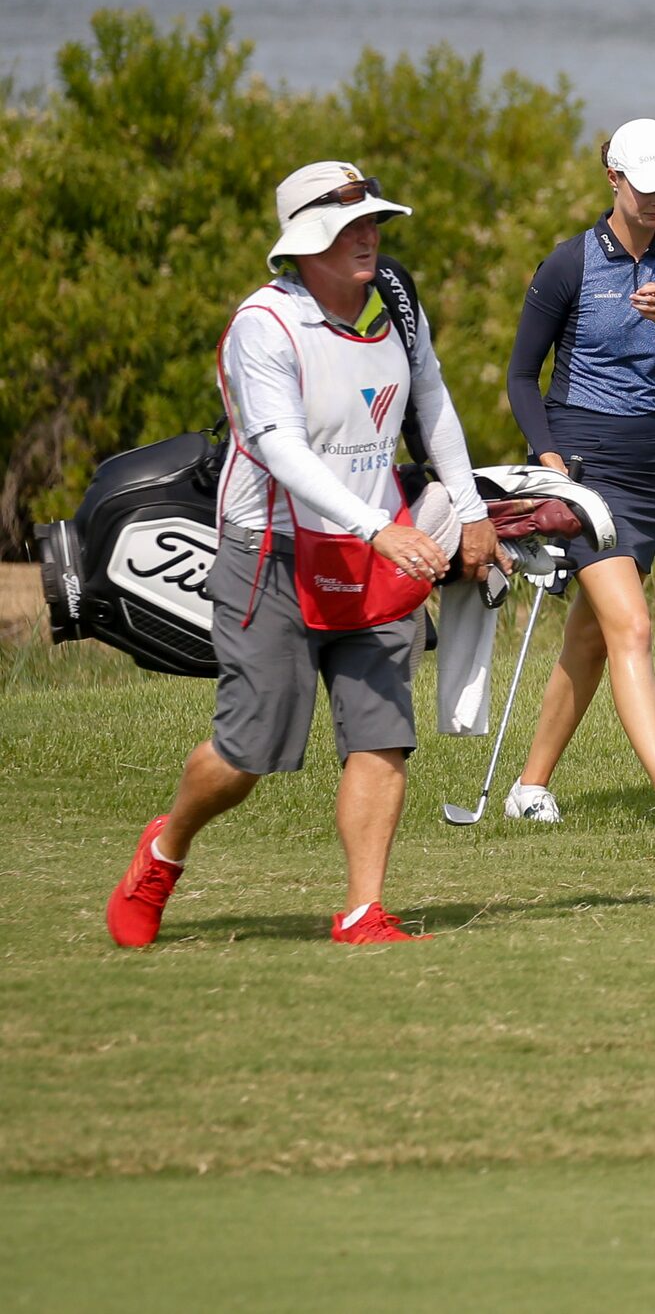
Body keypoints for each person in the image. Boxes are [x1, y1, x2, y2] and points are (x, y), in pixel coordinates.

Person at [106, 163, 503, 947]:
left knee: (382, 732)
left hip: (376, 555)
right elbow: (279, 449)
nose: (369, 237)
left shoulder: (393, 299)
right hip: (272, 557)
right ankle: (165, 847)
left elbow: (433, 402)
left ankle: (363, 909)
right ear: (305, 243)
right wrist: (378, 526)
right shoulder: (265, 324)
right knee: (247, 754)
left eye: (373, 223)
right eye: (348, 227)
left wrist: (469, 508)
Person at [501, 118, 655, 829]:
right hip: (583, 459)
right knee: (632, 626)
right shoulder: (568, 264)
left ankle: (529, 786)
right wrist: (547, 460)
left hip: (649, 462)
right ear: (613, 179)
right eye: (646, 188)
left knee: (592, 635)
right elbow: (522, 375)